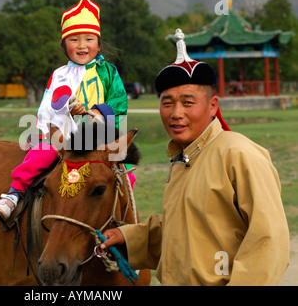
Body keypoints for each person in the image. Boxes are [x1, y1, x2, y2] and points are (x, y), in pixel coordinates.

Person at [99, 29, 289, 285]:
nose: (176, 113)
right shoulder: (182, 158)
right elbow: (181, 232)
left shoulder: (239, 154)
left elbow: (268, 241)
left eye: (188, 102)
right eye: (167, 103)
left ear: (213, 106)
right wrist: (126, 238)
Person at [0, 0, 131, 220]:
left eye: (89, 39)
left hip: (99, 139)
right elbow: (48, 107)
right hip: (65, 139)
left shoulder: (108, 72)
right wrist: (66, 110)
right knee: (41, 155)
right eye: (74, 39)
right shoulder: (59, 75)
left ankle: (124, 218)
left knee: (125, 175)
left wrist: (95, 112)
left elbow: (119, 104)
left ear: (98, 42)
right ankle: (14, 194)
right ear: (64, 45)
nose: (82, 45)